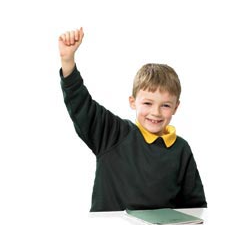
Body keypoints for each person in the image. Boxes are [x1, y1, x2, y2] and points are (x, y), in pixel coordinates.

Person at [58, 27, 207, 212]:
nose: (156, 112)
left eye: (165, 105)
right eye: (148, 103)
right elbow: (81, 104)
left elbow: (195, 206)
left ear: (176, 107)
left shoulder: (181, 149)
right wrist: (67, 61)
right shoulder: (112, 134)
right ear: (133, 102)